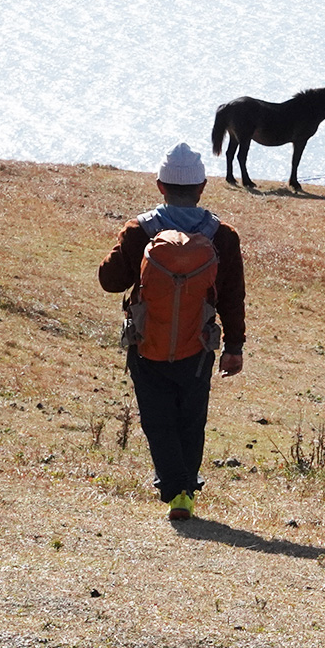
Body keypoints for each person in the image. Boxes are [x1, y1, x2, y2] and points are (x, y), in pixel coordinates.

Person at [97, 142, 245, 521]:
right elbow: (232, 297)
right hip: (198, 345)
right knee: (191, 418)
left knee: (157, 418)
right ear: (202, 187)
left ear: (160, 185)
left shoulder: (138, 231)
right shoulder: (222, 236)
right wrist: (234, 346)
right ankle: (184, 490)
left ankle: (174, 487)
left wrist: (125, 249)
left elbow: (109, 281)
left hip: (148, 342)